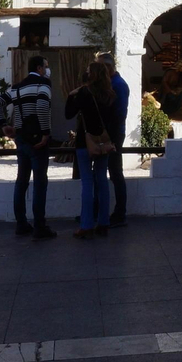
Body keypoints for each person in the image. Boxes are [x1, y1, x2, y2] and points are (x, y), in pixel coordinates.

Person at [65, 62, 119, 240]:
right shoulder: (111, 94)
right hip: (104, 141)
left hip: (85, 141)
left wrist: (71, 95)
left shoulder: (83, 93)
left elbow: (69, 114)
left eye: (88, 71)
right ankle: (103, 223)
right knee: (102, 180)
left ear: (92, 75)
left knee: (87, 182)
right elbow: (115, 120)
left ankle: (86, 225)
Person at [5, 55, 56, 241]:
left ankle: (21, 223)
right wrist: (45, 132)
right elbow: (42, 106)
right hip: (37, 140)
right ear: (39, 68)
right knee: (40, 183)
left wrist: (4, 125)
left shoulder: (17, 87)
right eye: (46, 66)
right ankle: (40, 226)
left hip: (21, 139)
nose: (47, 69)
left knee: (22, 181)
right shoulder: (43, 84)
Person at [100, 53, 130, 228]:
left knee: (115, 172)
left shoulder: (118, 85)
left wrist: (108, 136)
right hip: (110, 133)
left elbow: (119, 114)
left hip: (113, 135)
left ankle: (120, 213)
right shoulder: (113, 84)